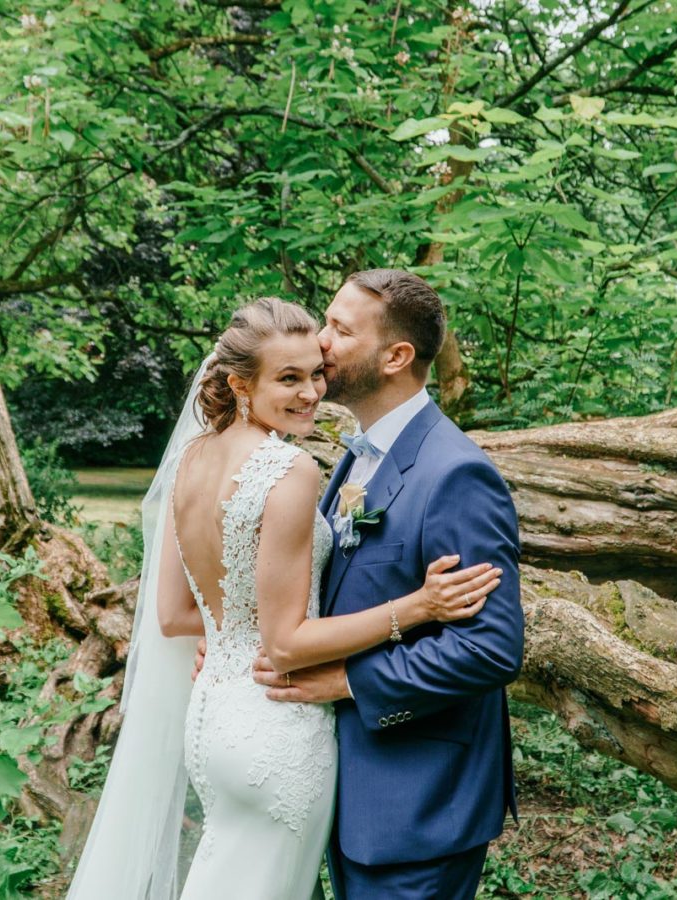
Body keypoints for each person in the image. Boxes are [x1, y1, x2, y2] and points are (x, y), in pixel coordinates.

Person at [66, 296, 501, 900]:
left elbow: (174, 615)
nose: (313, 387)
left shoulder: (192, 459)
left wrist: (228, 638)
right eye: (290, 377)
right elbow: (286, 641)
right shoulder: (290, 469)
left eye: (317, 370)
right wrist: (419, 607)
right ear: (241, 385)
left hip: (215, 721)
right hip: (276, 729)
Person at [250, 270, 525, 900]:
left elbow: (489, 649)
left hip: (419, 804)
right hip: (351, 795)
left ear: (396, 356)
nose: (319, 342)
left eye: (341, 330)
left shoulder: (456, 476)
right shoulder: (358, 454)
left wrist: (348, 682)